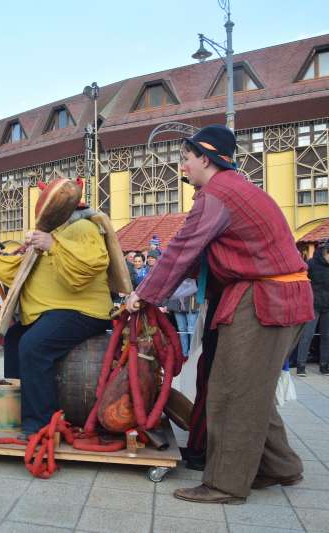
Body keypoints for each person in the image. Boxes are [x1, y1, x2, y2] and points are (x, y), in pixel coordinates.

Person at [126, 125, 311, 504]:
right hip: (274, 294)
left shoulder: (218, 194)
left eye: (187, 158)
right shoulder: (236, 189)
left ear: (206, 159)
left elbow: (180, 250)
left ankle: (225, 484)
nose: (183, 166)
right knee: (251, 389)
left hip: (263, 298)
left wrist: (141, 295)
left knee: (231, 391)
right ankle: (281, 466)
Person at [0, 209, 112, 436]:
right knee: (16, 337)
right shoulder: (55, 233)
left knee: (33, 345)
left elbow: (90, 264)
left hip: (84, 310)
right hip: (55, 311)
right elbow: (23, 270)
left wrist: (52, 244)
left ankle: (40, 425)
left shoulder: (83, 227)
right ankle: (18, 408)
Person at [295, 242, 329, 376]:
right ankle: (301, 366)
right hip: (312, 305)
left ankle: (324, 366)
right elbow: (303, 283)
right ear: (325, 252)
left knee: (327, 337)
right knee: (307, 336)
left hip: (327, 306)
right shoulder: (312, 264)